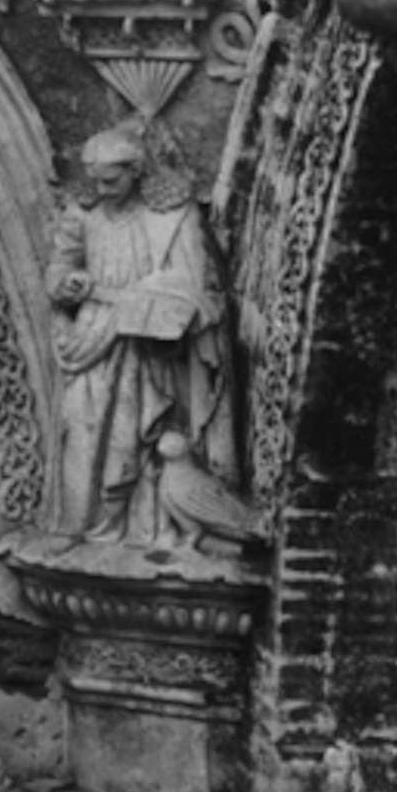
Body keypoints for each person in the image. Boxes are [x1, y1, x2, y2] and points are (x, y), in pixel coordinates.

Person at [47, 125, 240, 543]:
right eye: (95, 179)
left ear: (136, 172)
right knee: (81, 429)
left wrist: (164, 300)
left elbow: (197, 283)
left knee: (131, 441)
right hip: (94, 337)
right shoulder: (82, 215)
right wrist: (68, 283)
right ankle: (78, 526)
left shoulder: (167, 217)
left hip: (147, 342)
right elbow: (58, 269)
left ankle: (131, 530)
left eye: (112, 180)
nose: (102, 188)